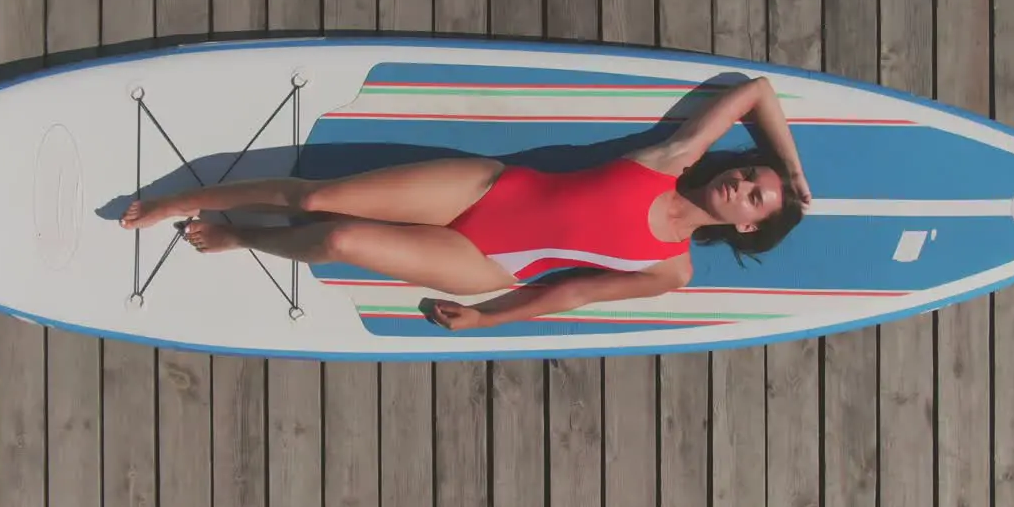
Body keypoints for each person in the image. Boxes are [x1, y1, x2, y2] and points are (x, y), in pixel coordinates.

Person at [119, 75, 811, 331]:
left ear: (746, 224)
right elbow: (754, 92)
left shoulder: (673, 271)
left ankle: (242, 237)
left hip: (485, 259)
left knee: (337, 240)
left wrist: (487, 320)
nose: (743, 185)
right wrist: (793, 170)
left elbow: (570, 294)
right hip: (488, 186)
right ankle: (178, 199)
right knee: (320, 196)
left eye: (754, 197)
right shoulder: (675, 159)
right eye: (752, 173)